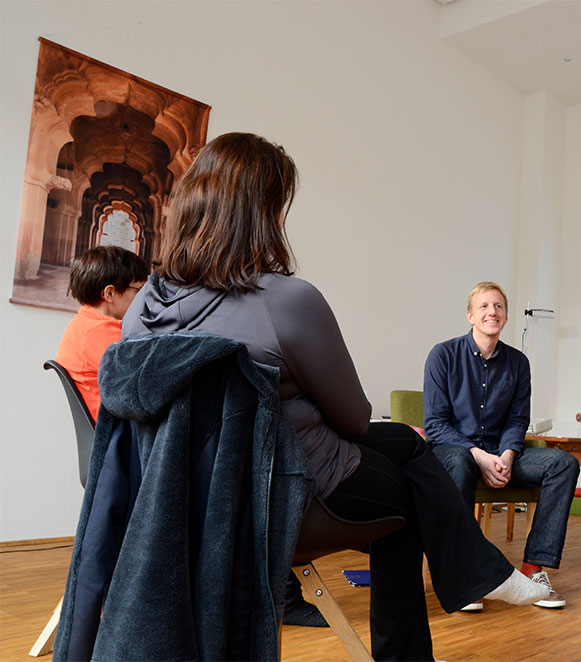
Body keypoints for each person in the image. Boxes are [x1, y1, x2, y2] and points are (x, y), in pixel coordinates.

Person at [121, 132, 547, 662]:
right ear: (264, 212)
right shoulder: (286, 300)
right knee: (412, 485)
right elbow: (354, 417)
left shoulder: (145, 305)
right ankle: (458, 593)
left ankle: (478, 571)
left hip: (183, 494)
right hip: (286, 488)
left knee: (407, 447)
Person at [423, 281, 580, 610]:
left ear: (506, 318)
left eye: (498, 307)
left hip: (500, 452)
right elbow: (435, 425)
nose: (491, 312)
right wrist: (479, 456)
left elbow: (517, 421)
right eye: (483, 306)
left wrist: (507, 456)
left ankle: (532, 569)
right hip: (458, 453)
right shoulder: (443, 355)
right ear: (470, 316)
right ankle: (467, 576)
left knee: (563, 464)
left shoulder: (519, 363)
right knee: (458, 461)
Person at [55, 245, 148, 421]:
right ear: (110, 293)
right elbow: (140, 381)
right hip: (116, 434)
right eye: (139, 290)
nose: (143, 298)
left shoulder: (84, 323)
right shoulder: (100, 333)